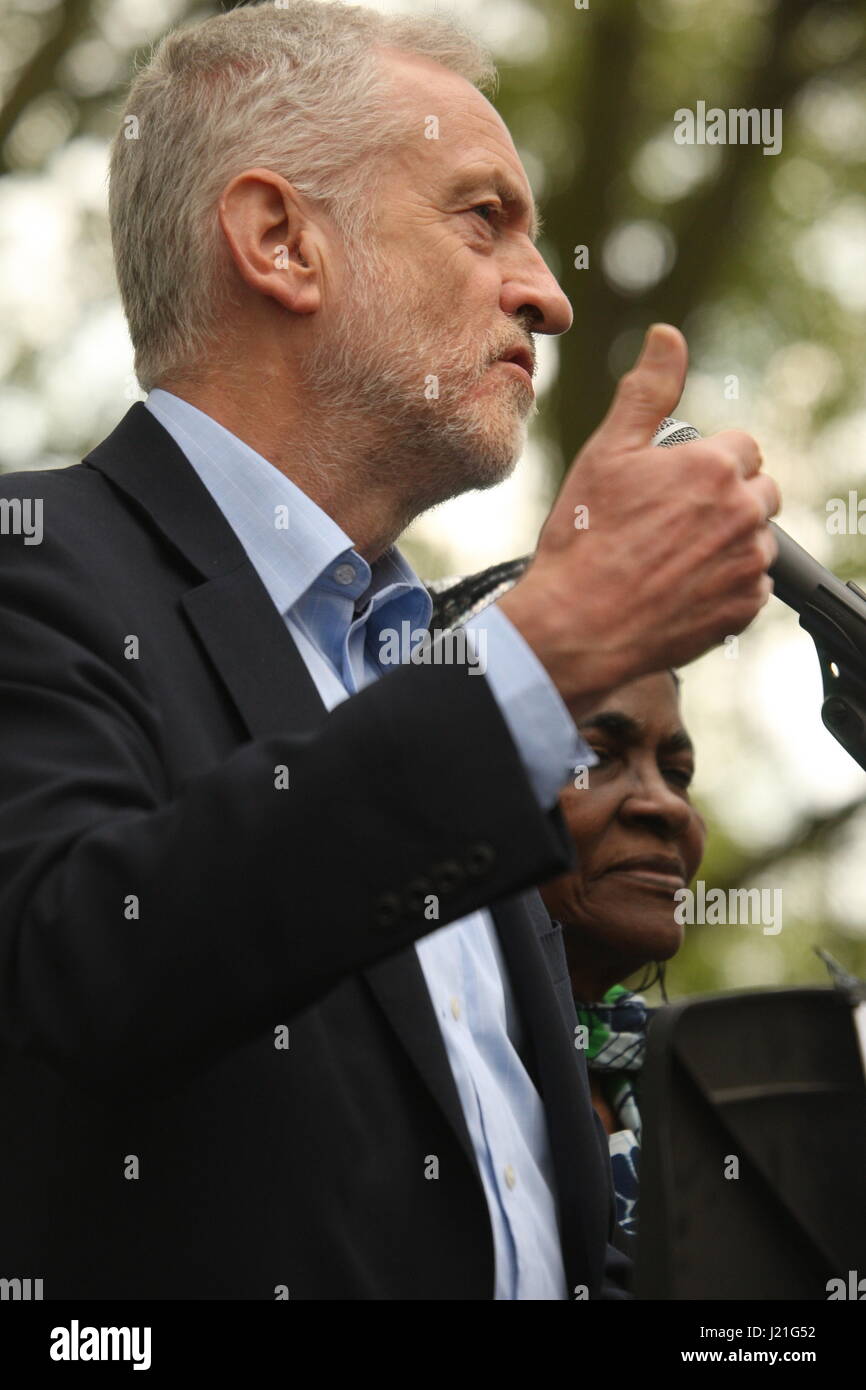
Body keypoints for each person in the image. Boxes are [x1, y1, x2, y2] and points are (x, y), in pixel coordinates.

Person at [0, 2, 779, 1299]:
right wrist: (544, 658)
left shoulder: (428, 685)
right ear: (279, 240)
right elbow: (74, 969)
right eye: (482, 217)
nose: (547, 291)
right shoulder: (35, 564)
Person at [431, 569, 706, 1244]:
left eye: (677, 772)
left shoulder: (698, 1090)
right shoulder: (423, 1067)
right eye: (595, 755)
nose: (666, 805)